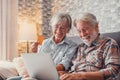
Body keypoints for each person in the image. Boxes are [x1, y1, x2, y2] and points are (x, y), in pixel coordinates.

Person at [7, 13, 77, 80]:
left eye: (63, 28)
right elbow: (39, 62)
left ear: (68, 29)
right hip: (40, 74)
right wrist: (34, 55)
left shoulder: (72, 46)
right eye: (56, 26)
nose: (59, 30)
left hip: (55, 76)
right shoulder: (45, 42)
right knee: (10, 79)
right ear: (52, 26)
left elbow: (64, 64)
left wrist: (45, 72)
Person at [60, 13, 120, 80]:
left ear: (96, 27)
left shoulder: (108, 43)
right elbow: (73, 71)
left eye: (85, 29)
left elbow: (113, 71)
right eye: (79, 31)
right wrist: (64, 74)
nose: (82, 34)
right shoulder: (80, 47)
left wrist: (81, 76)